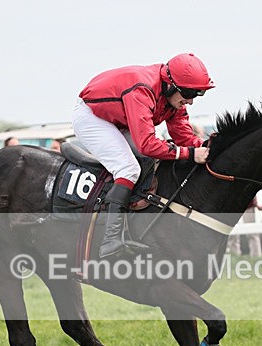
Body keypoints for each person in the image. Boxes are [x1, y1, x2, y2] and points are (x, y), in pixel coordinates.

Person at [73, 53, 213, 257]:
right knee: (128, 169)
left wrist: (206, 149)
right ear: (170, 84)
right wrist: (190, 154)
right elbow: (147, 144)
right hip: (92, 117)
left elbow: (183, 135)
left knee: (148, 160)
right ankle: (110, 240)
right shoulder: (143, 90)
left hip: (119, 117)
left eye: (198, 94)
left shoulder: (173, 99)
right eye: (189, 93)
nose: (191, 101)